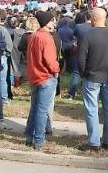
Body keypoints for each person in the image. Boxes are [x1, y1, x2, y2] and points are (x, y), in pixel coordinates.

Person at [77, 8, 108, 150]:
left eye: (91, 18)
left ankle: (94, 142)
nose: (90, 20)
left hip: (92, 77)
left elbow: (81, 59)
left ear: (94, 19)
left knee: (92, 110)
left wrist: (83, 73)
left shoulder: (88, 35)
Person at [24, 11, 60, 150]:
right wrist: (57, 69)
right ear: (46, 22)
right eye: (52, 20)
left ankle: (29, 136)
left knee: (35, 108)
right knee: (42, 110)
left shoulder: (33, 36)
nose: (53, 22)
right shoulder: (46, 38)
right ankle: (38, 140)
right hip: (45, 77)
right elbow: (50, 60)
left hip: (35, 76)